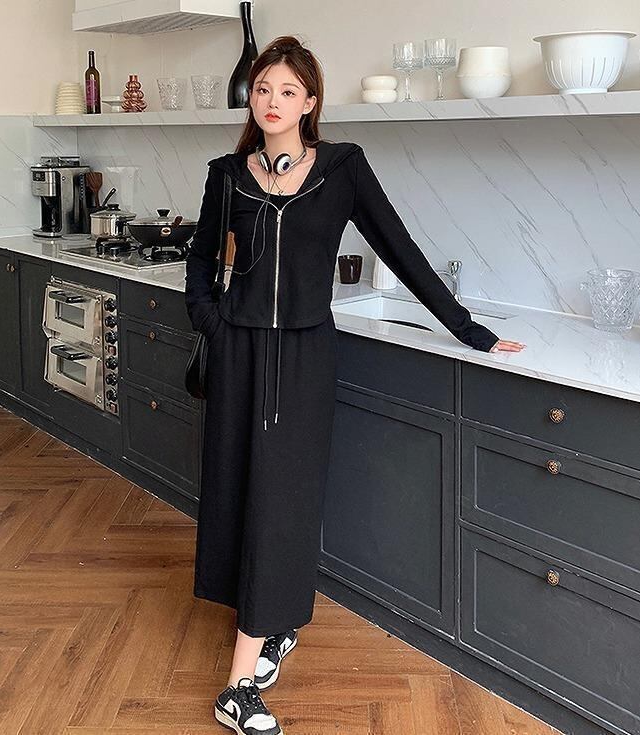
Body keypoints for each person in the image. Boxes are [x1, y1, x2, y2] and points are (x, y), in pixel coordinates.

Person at [184, 35, 525, 735]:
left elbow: (401, 249)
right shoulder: (228, 175)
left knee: (285, 501)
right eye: (262, 89)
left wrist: (470, 331)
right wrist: (215, 325)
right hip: (239, 354)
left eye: (287, 91)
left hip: (305, 357)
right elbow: (200, 264)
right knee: (238, 492)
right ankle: (265, 632)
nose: (271, 101)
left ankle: (238, 681)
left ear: (310, 102)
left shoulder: (342, 168)